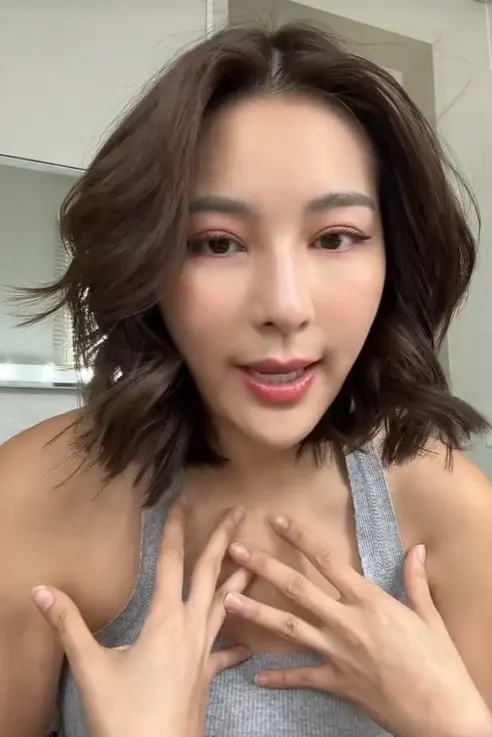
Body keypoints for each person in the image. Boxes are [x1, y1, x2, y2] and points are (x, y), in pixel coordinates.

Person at [1, 21, 492, 737]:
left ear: (394, 258)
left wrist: (455, 723)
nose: (285, 307)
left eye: (335, 237)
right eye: (217, 243)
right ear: (148, 260)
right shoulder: (32, 496)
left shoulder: (452, 509)